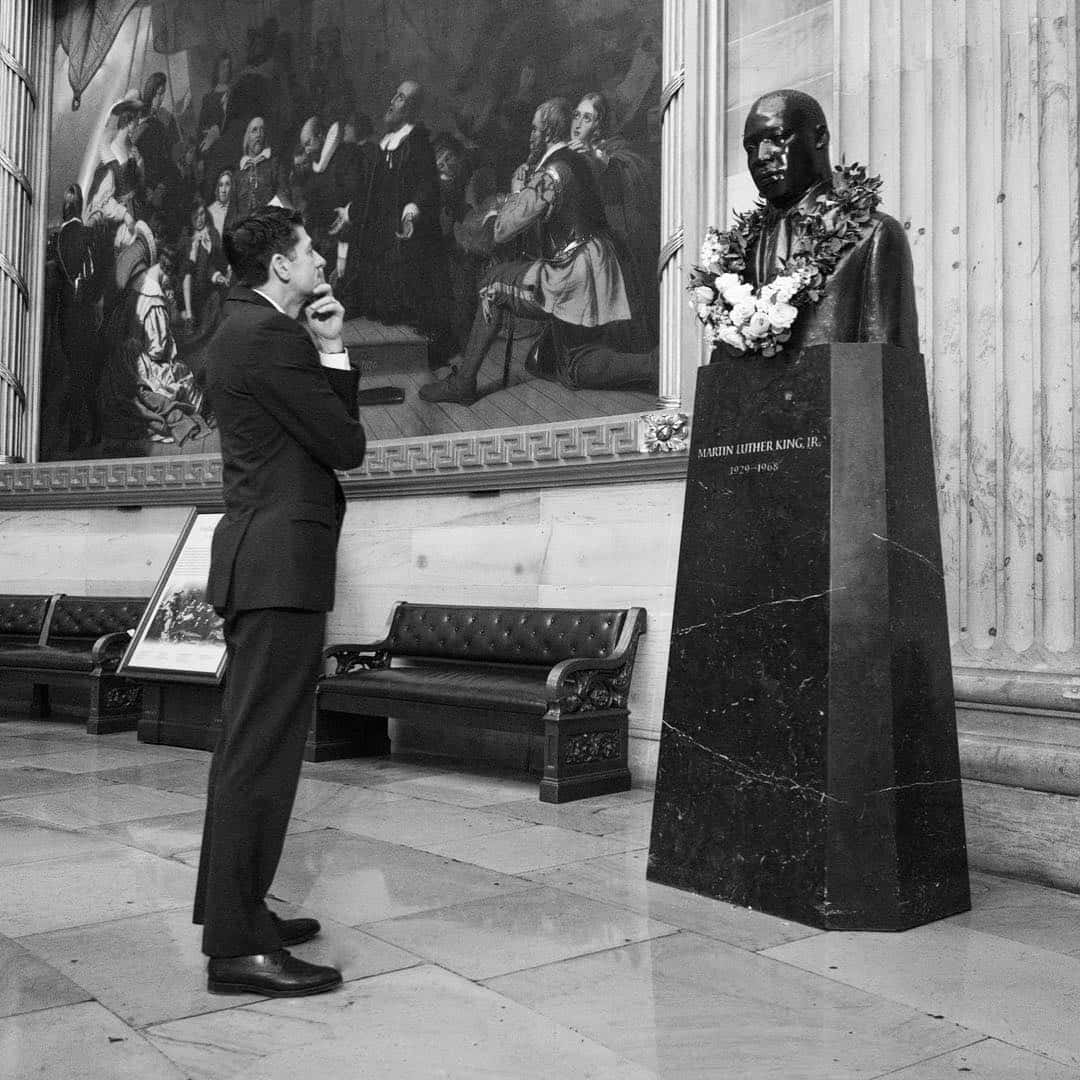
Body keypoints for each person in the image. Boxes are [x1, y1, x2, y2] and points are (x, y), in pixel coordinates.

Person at [193, 205, 366, 998]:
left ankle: (242, 912)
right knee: (259, 754)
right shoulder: (268, 337)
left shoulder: (242, 325)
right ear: (279, 267)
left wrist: (321, 347)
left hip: (264, 562)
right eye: (308, 249)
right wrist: (332, 349)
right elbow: (345, 446)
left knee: (249, 750)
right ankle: (237, 947)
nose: (321, 255)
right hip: (277, 567)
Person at [420, 97, 657, 404]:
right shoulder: (576, 162)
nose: (530, 136)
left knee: (493, 284)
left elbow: (504, 229)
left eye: (534, 129)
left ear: (547, 133)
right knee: (575, 366)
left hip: (575, 269)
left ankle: (463, 383)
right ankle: (653, 364)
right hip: (597, 263)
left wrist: (517, 194)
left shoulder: (553, 173)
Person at [735, 89, 918, 352]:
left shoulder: (872, 235)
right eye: (750, 148)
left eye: (777, 138)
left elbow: (889, 362)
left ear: (819, 138)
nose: (761, 157)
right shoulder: (739, 253)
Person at [331, 80, 454, 366]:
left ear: (411, 108)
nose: (392, 101)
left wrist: (411, 211)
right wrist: (351, 211)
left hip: (405, 231)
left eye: (400, 98)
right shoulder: (383, 144)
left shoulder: (418, 143)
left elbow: (425, 186)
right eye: (395, 95)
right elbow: (371, 192)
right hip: (379, 231)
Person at [234, 116, 286, 217]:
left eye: (262, 130)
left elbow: (283, 195)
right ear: (247, 137)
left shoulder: (274, 164)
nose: (259, 134)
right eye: (254, 130)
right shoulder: (238, 173)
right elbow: (232, 211)